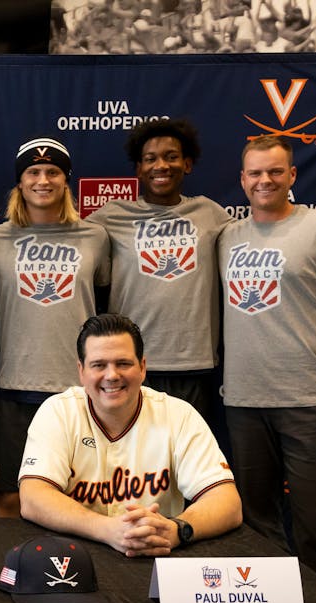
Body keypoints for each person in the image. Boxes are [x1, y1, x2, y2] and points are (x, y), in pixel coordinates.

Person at [218, 135, 316, 586]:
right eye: (256, 173)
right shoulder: (228, 236)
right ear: (242, 180)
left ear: (292, 176)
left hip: (311, 403)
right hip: (244, 402)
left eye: (275, 171)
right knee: (255, 525)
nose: (265, 180)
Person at [18, 314, 242, 557]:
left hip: (155, 553)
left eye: (123, 363)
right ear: (81, 371)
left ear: (143, 367)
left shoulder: (178, 414)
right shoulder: (59, 411)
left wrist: (178, 529)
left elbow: (227, 502)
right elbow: (33, 497)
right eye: (99, 365)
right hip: (73, 556)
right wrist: (107, 530)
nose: (112, 375)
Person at [0, 136, 111, 518]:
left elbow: (101, 292)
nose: (43, 180)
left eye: (53, 171)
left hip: (82, 391)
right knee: (9, 498)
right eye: (32, 172)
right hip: (16, 388)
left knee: (84, 500)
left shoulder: (96, 237)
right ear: (20, 182)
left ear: (66, 179)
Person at [87, 118, 231, 425]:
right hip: (129, 364)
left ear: (187, 164)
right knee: (133, 461)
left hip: (193, 363)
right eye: (150, 159)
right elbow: (66, 235)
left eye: (171, 156)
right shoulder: (111, 217)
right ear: (138, 169)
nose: (161, 165)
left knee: (186, 463)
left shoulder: (210, 213)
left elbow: (255, 238)